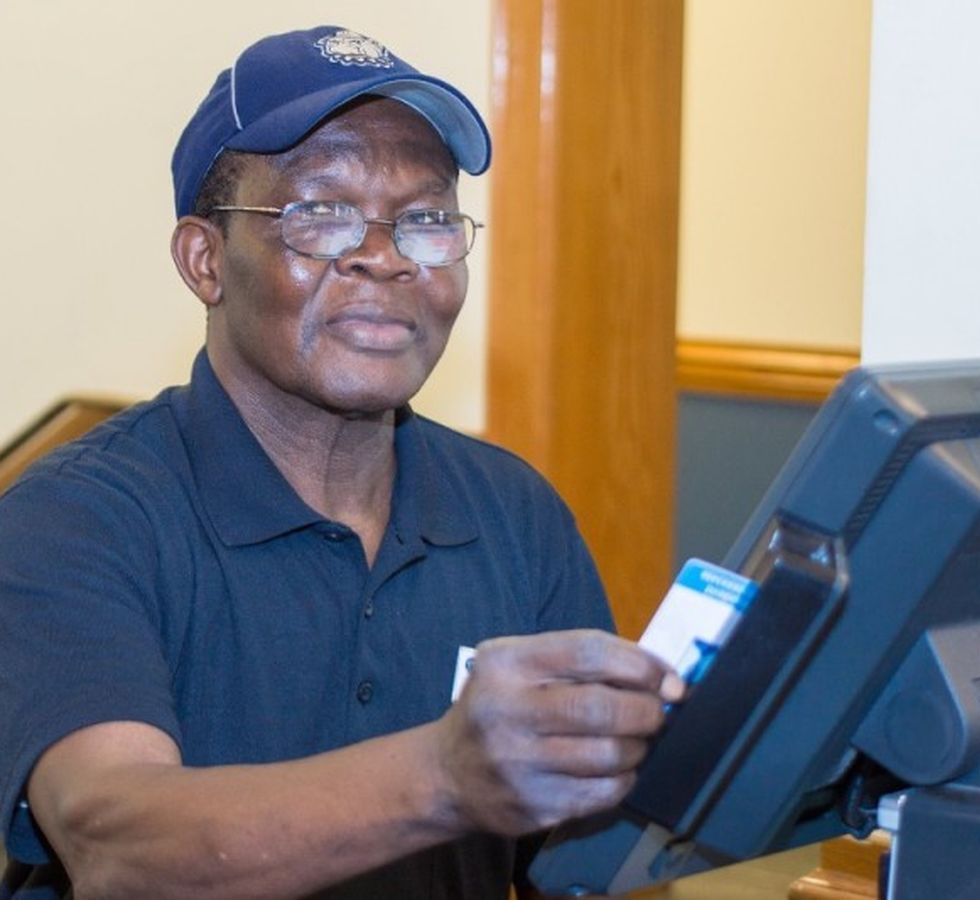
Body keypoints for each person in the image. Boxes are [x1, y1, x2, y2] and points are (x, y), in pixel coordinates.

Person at [0, 26, 682, 899]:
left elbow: (587, 862)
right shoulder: (76, 518)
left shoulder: (514, 513)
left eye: (426, 220)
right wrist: (444, 773)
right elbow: (117, 843)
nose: (384, 257)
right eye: (321, 214)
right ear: (205, 260)